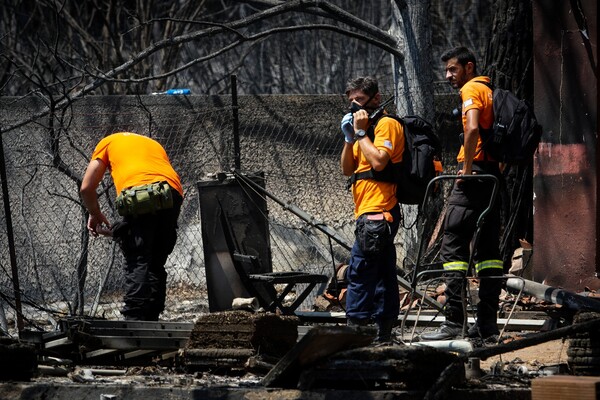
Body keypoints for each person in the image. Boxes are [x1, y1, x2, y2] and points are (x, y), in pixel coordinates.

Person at [420, 47, 503, 342]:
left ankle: (455, 321)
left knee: (453, 248)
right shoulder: (493, 91)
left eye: (453, 69)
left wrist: (465, 169)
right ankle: (487, 324)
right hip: (493, 178)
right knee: (489, 255)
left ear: (468, 67)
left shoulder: (471, 89)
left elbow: (470, 130)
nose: (447, 76)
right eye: (446, 71)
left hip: (473, 177)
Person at [80, 132, 184, 321]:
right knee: (155, 260)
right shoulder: (154, 144)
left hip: (140, 191)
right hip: (171, 193)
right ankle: (152, 316)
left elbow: (86, 188)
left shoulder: (107, 142)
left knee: (138, 258)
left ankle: (134, 318)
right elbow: (147, 222)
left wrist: (94, 213)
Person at [340, 76, 405, 344]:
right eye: (351, 102)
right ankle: (383, 332)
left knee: (360, 273)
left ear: (376, 99)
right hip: (366, 212)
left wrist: (362, 133)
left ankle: (355, 331)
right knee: (383, 274)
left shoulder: (386, 125)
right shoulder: (361, 132)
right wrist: (348, 138)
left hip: (379, 211)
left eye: (361, 101)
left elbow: (379, 162)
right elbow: (347, 169)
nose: (355, 107)